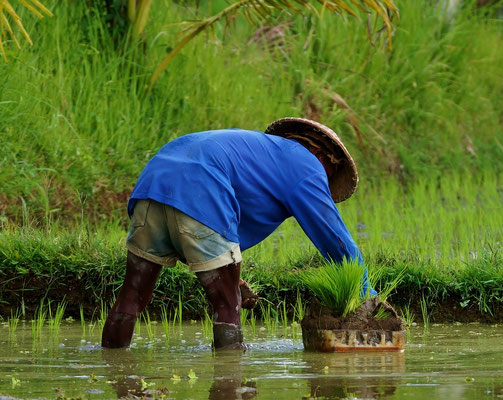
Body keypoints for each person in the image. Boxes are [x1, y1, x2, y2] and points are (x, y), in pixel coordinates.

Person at [101, 118, 374, 350]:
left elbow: (191, 231)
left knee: (130, 297)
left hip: (152, 186)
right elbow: (335, 240)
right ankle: (229, 377)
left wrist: (232, 277)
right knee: (227, 305)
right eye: (329, 175)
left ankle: (112, 367)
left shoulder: (257, 154)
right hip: (200, 189)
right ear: (326, 158)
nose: (323, 184)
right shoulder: (307, 165)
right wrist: (368, 295)